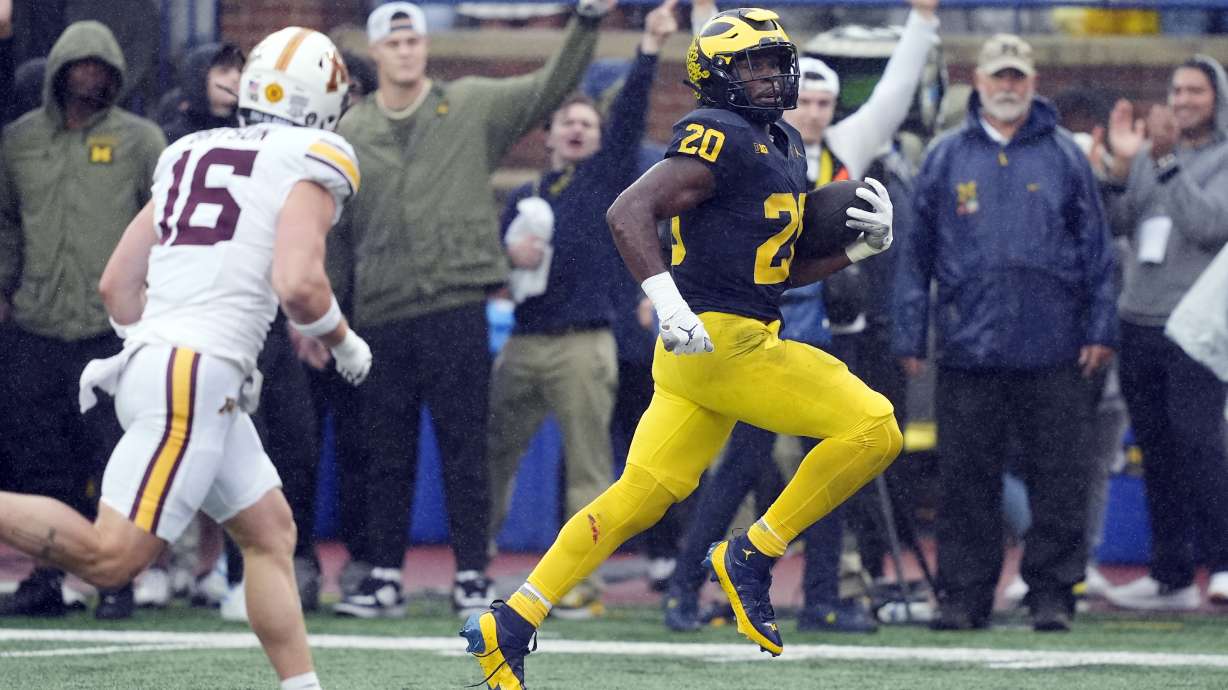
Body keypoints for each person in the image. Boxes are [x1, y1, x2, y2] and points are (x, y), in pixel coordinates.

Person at [461, 9, 900, 688]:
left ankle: (511, 621)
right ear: (716, 76)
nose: (770, 76)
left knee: (639, 496)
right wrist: (667, 302)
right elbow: (627, 211)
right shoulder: (718, 133)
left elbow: (775, 269)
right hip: (724, 342)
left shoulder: (781, 142)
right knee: (875, 426)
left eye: (774, 62)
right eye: (753, 65)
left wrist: (855, 251)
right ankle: (753, 553)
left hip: (711, 348)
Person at [0, 26, 371, 690]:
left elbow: (116, 285)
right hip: (194, 373)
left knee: (269, 532)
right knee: (113, 558)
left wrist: (155, 347)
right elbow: (299, 284)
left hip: (176, 368)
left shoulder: (190, 151)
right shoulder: (313, 157)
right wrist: (345, 341)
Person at [661, 0, 939, 634]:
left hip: (818, 329)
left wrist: (923, 21)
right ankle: (685, 588)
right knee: (738, 471)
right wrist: (705, 16)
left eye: (822, 101)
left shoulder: (842, 145)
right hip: (745, 328)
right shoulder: (741, 145)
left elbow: (894, 93)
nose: (811, 110)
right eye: (804, 98)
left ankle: (820, 597)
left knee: (832, 468)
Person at [330, 0, 612, 620]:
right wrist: (326, 314)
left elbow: (549, 87)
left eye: (413, 40)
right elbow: (336, 233)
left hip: (456, 306)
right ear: (376, 53)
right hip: (381, 311)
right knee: (385, 451)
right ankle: (383, 575)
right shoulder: (349, 133)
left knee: (466, 447)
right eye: (394, 43)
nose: (406, 51)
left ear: (425, 46)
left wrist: (586, 22)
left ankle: (470, 574)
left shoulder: (469, 104)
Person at [893, 34, 1118, 632]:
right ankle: (964, 597)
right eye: (999, 76)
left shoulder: (1066, 155)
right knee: (966, 480)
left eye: (1018, 76)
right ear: (980, 81)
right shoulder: (945, 155)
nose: (1008, 86)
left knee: (1059, 478)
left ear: (1033, 82)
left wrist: (1100, 328)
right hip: (968, 346)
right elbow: (916, 254)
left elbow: (1097, 250)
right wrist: (910, 333)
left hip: (1055, 345)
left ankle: (1053, 595)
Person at [485, 0, 678, 620]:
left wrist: (649, 48)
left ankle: (580, 585)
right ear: (546, 134)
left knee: (590, 470)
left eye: (586, 124)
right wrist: (507, 255)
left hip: (584, 343)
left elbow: (630, 113)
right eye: (566, 122)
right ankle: (472, 563)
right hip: (525, 339)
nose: (576, 129)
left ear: (600, 138)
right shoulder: (525, 194)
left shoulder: (606, 178)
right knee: (492, 454)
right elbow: (497, 268)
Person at [0, 20, 166, 621]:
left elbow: (167, 225)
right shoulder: (19, 142)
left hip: (111, 333)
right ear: (59, 72)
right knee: (39, 459)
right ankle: (47, 577)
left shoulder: (142, 141)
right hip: (36, 325)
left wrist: (154, 300)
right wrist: (4, 288)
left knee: (115, 457)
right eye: (81, 66)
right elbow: (6, 223)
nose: (91, 77)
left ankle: (116, 579)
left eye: (103, 68)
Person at [1098, 55, 1228, 610]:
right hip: (1139, 317)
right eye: (1177, 90)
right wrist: (1118, 172)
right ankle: (1170, 574)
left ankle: (1221, 564)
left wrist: (1168, 163)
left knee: (1201, 444)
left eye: (1196, 91)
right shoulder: (1151, 156)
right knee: (1155, 449)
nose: (1183, 100)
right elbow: (1120, 225)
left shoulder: (1220, 157)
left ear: (1217, 98)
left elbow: (1209, 224)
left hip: (1194, 325)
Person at [159, 41, 245, 144]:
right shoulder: (175, 137)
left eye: (240, 70)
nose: (236, 78)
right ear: (199, 79)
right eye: (223, 71)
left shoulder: (249, 130)